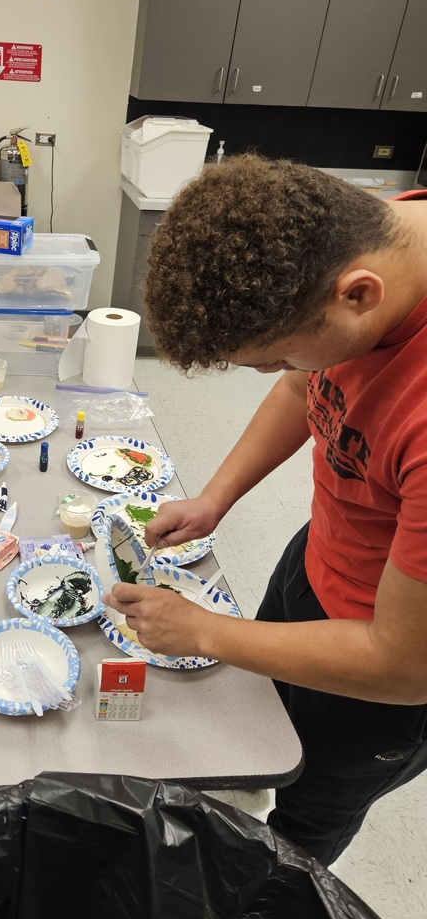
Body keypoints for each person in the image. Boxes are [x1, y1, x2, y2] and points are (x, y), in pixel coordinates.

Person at [103, 153, 427, 867]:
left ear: (358, 296)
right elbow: (307, 388)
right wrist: (215, 498)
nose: (279, 376)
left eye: (276, 357)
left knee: (306, 817)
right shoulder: (380, 236)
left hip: (382, 669)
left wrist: (204, 631)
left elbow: (403, 663)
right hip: (321, 563)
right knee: (264, 720)